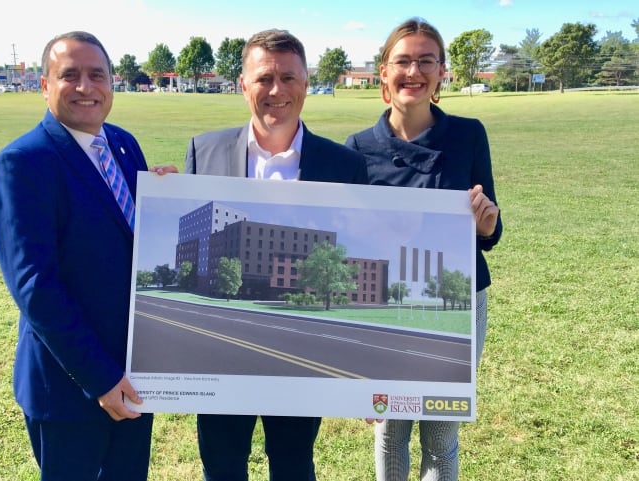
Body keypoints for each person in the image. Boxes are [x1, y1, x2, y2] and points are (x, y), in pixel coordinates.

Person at [0, 31, 176, 481]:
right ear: (44, 85)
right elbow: (37, 289)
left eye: (97, 75)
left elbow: (131, 239)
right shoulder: (23, 163)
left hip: (134, 376)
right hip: (73, 387)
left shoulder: (124, 145)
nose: (86, 87)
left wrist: (167, 199)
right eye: (69, 75)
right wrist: (101, 379)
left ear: (112, 83)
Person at [185, 28, 368, 481]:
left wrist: (368, 380)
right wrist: (163, 190)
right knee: (222, 465)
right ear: (242, 85)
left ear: (306, 84)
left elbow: (360, 250)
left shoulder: (343, 165)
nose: (276, 90)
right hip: (222, 348)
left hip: (301, 347)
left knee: (293, 464)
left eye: (289, 77)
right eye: (264, 78)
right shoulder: (203, 150)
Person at [344, 18, 502, 481]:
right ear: (383, 73)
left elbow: (489, 231)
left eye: (425, 61)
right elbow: (345, 237)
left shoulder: (468, 135)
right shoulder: (358, 149)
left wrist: (487, 223)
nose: (414, 71)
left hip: (457, 298)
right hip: (387, 304)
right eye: (403, 61)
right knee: (391, 429)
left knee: (440, 430)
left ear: (441, 73)